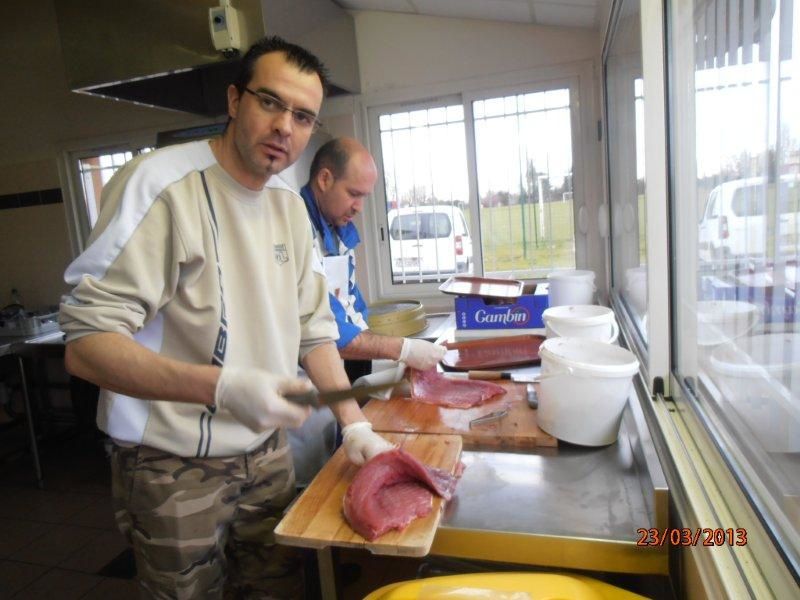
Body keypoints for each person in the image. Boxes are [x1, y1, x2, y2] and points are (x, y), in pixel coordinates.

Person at [59, 37, 393, 599]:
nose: (285, 126)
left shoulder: (288, 206)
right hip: (170, 464)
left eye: (303, 116)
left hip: (266, 457)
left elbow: (315, 330)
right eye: (271, 102)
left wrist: (353, 421)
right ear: (235, 100)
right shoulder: (161, 187)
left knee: (277, 590)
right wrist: (221, 386)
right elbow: (86, 343)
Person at [300, 138, 446, 382]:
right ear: (324, 179)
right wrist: (403, 349)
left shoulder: (339, 233)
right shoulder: (297, 230)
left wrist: (377, 353)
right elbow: (324, 331)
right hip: (303, 379)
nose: (359, 207)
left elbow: (352, 306)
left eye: (364, 196)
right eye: (354, 194)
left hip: (338, 369)